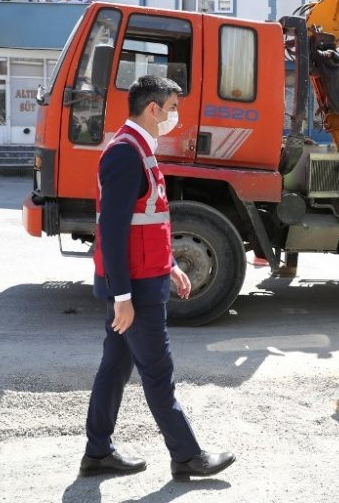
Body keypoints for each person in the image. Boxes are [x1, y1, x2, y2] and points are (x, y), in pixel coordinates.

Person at [81, 75, 234, 479]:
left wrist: (171, 265)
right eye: (171, 108)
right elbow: (111, 231)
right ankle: (187, 456)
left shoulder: (138, 150)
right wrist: (122, 296)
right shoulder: (125, 154)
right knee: (158, 372)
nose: (174, 116)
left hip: (145, 278)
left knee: (115, 366)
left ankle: (97, 453)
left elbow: (146, 223)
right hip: (136, 289)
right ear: (153, 109)